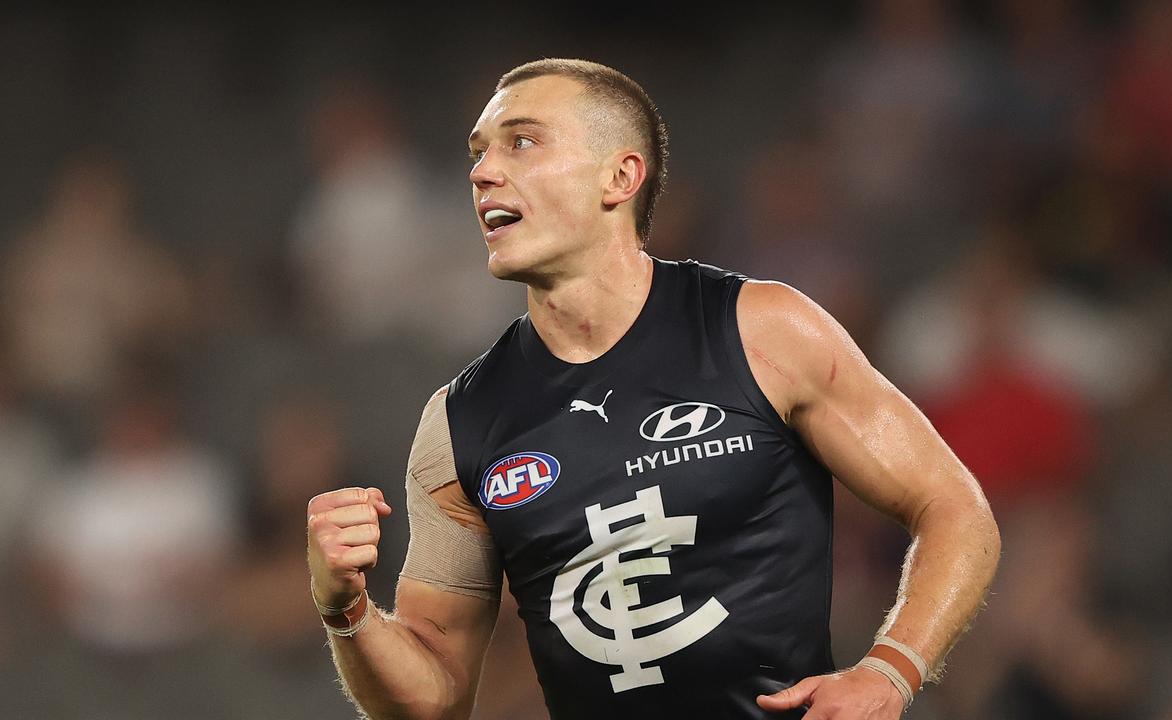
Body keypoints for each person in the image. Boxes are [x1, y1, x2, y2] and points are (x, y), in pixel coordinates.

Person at [306, 58, 1000, 720]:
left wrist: (892, 668)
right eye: (479, 152)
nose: (484, 172)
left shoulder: (763, 332)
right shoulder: (460, 423)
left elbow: (954, 507)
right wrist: (346, 609)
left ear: (620, 176)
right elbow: (433, 697)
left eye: (521, 143)